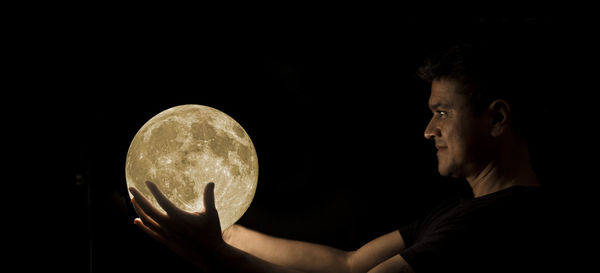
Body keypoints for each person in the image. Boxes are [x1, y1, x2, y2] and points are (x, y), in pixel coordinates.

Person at [129, 42, 552, 273]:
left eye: (442, 112)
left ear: (496, 118)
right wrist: (227, 234)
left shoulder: (497, 222)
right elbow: (347, 265)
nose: (428, 131)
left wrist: (215, 257)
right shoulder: (457, 212)